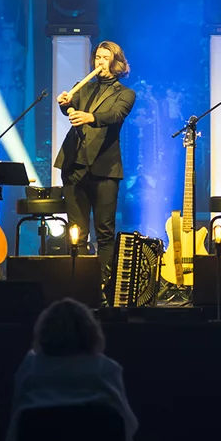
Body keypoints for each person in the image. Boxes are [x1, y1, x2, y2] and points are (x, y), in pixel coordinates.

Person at [3, 298, 149, 441]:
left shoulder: (30, 368)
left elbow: (12, 435)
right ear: (91, 333)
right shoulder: (107, 370)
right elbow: (128, 426)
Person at [54, 41, 136, 293]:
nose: (100, 61)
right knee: (76, 231)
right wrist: (65, 103)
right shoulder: (84, 87)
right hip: (74, 166)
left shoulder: (125, 94)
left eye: (105, 57)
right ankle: (79, 284)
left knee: (104, 232)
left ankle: (102, 286)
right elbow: (69, 109)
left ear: (116, 62)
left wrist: (90, 117)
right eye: (98, 57)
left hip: (105, 170)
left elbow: (116, 115)